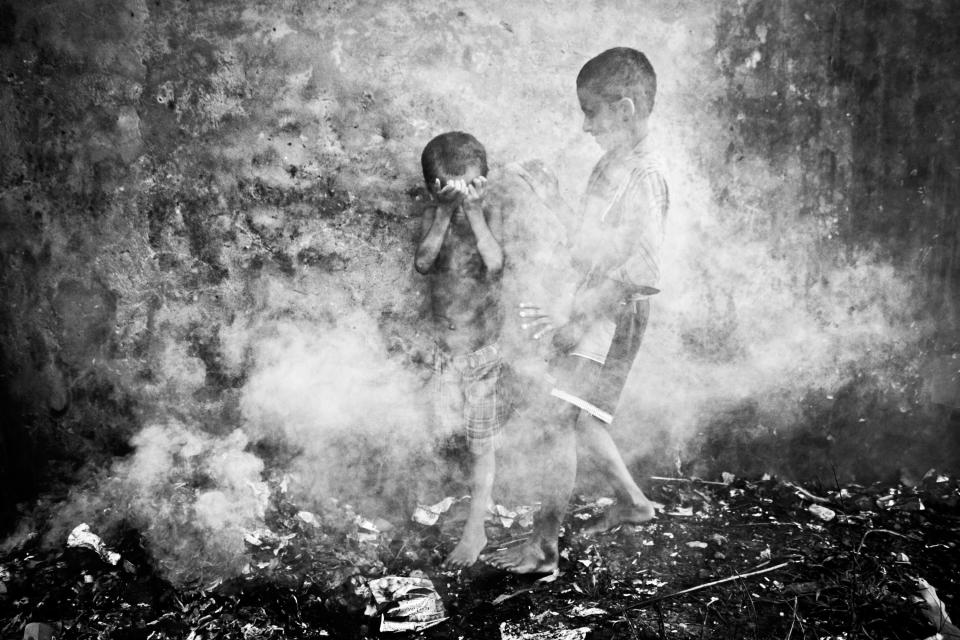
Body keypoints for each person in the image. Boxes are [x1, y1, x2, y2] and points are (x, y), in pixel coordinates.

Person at [485, 47, 669, 575]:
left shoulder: (646, 176)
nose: (585, 125)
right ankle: (634, 504)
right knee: (574, 410)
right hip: (591, 303)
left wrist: (576, 320)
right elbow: (586, 248)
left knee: (553, 417)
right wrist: (553, 197)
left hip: (608, 313)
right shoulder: (610, 163)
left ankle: (543, 549)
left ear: (627, 109)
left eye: (592, 112)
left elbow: (643, 274)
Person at [414, 131, 507, 569]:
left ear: (483, 183)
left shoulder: (487, 212)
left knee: (480, 444)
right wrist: (444, 213)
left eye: (472, 185)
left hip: (481, 353)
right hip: (444, 352)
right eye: (453, 186)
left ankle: (476, 530)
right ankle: (449, 508)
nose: (463, 193)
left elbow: (495, 264)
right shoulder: (432, 214)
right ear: (435, 188)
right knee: (441, 431)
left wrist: (472, 212)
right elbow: (423, 262)